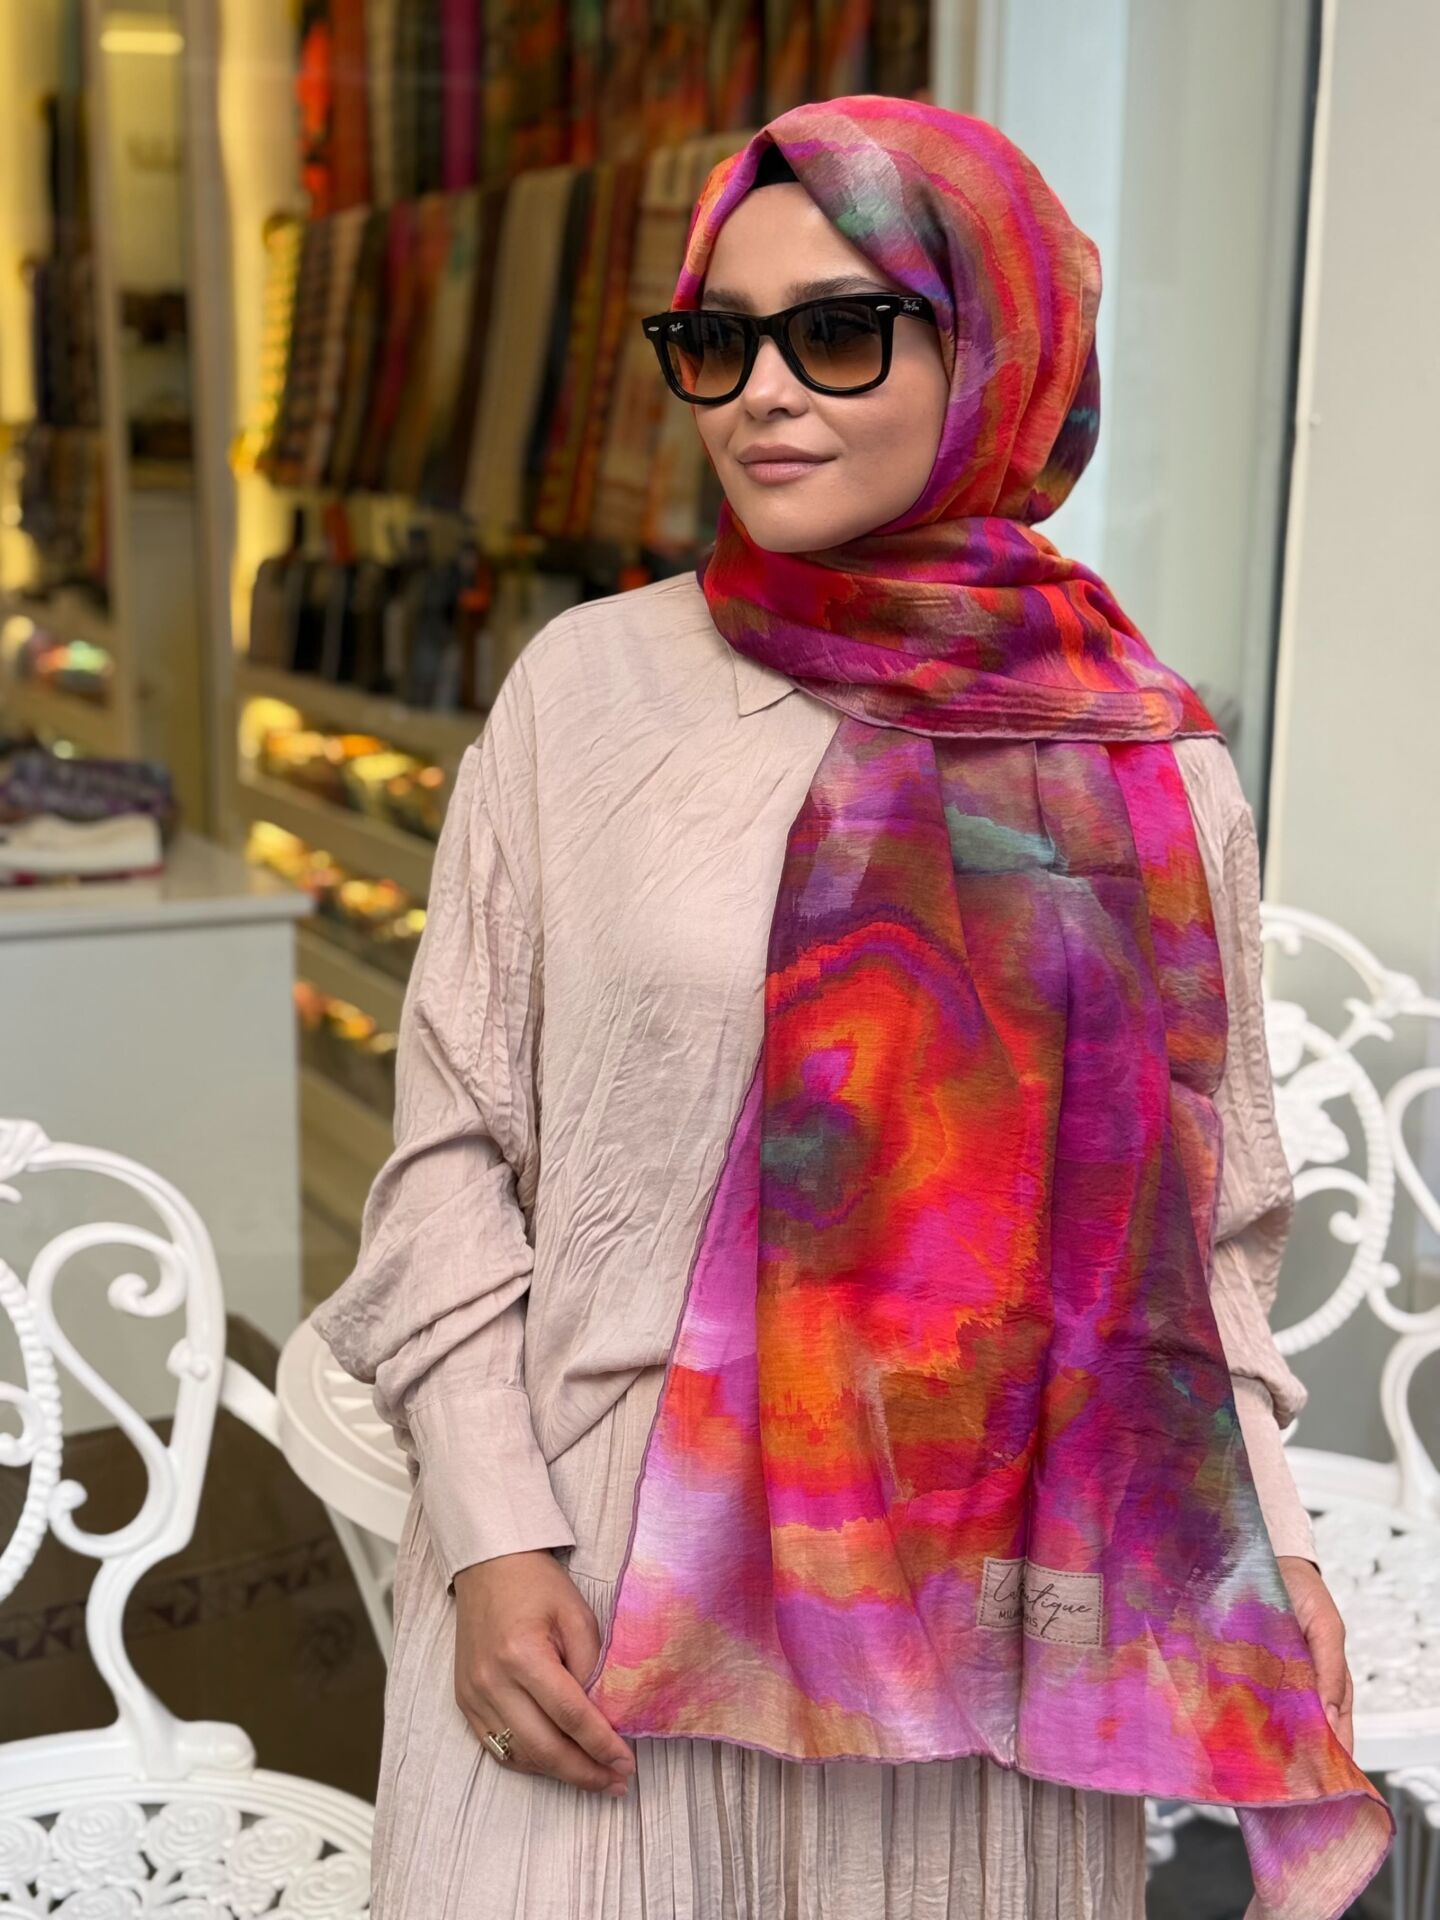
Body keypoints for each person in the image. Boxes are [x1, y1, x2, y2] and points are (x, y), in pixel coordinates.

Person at [314, 98, 1392, 1920]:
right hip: (597, 1583)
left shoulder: (1146, 766)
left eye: (838, 330)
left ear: (997, 356)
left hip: (992, 1606)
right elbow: (448, 1155)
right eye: (718, 340)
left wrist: (1268, 1554)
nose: (761, 396)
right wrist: (492, 1534)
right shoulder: (586, 696)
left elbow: (1199, 1247)